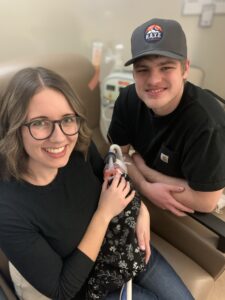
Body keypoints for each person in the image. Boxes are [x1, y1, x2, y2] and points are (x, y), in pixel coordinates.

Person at [0, 67, 194, 300]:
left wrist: (140, 208)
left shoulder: (78, 147)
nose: (59, 137)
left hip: (122, 248)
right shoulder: (8, 208)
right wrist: (104, 213)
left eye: (67, 119)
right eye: (40, 123)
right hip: (87, 287)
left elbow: (110, 177)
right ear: (15, 127)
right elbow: (62, 289)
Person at [108, 17, 225, 217]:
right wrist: (145, 187)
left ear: (185, 69)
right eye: (143, 69)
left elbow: (206, 201)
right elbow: (119, 154)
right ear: (134, 73)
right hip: (165, 186)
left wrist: (145, 172)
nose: (153, 80)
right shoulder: (128, 99)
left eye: (166, 67)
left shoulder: (206, 124)